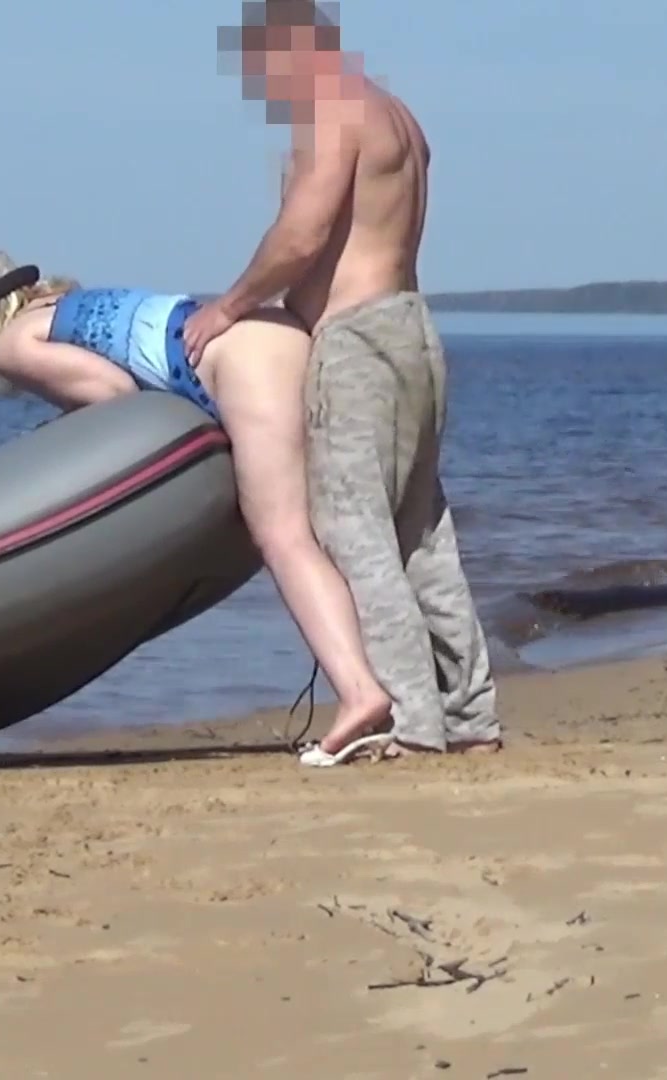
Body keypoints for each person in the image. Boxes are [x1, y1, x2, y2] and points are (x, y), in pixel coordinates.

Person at [181, 0, 500, 763]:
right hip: (412, 331)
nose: (263, 84)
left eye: (263, 65)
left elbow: (303, 234)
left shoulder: (332, 110)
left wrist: (228, 307)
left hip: (358, 343)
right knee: (421, 535)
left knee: (354, 533)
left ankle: (412, 721)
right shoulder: (397, 117)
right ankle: (470, 716)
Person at [0, 251, 394, 755]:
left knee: (283, 537)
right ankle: (395, 691)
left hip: (240, 363)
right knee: (335, 530)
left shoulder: (13, 345)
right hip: (274, 334)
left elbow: (115, 393)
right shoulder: (63, 307)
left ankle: (360, 694)